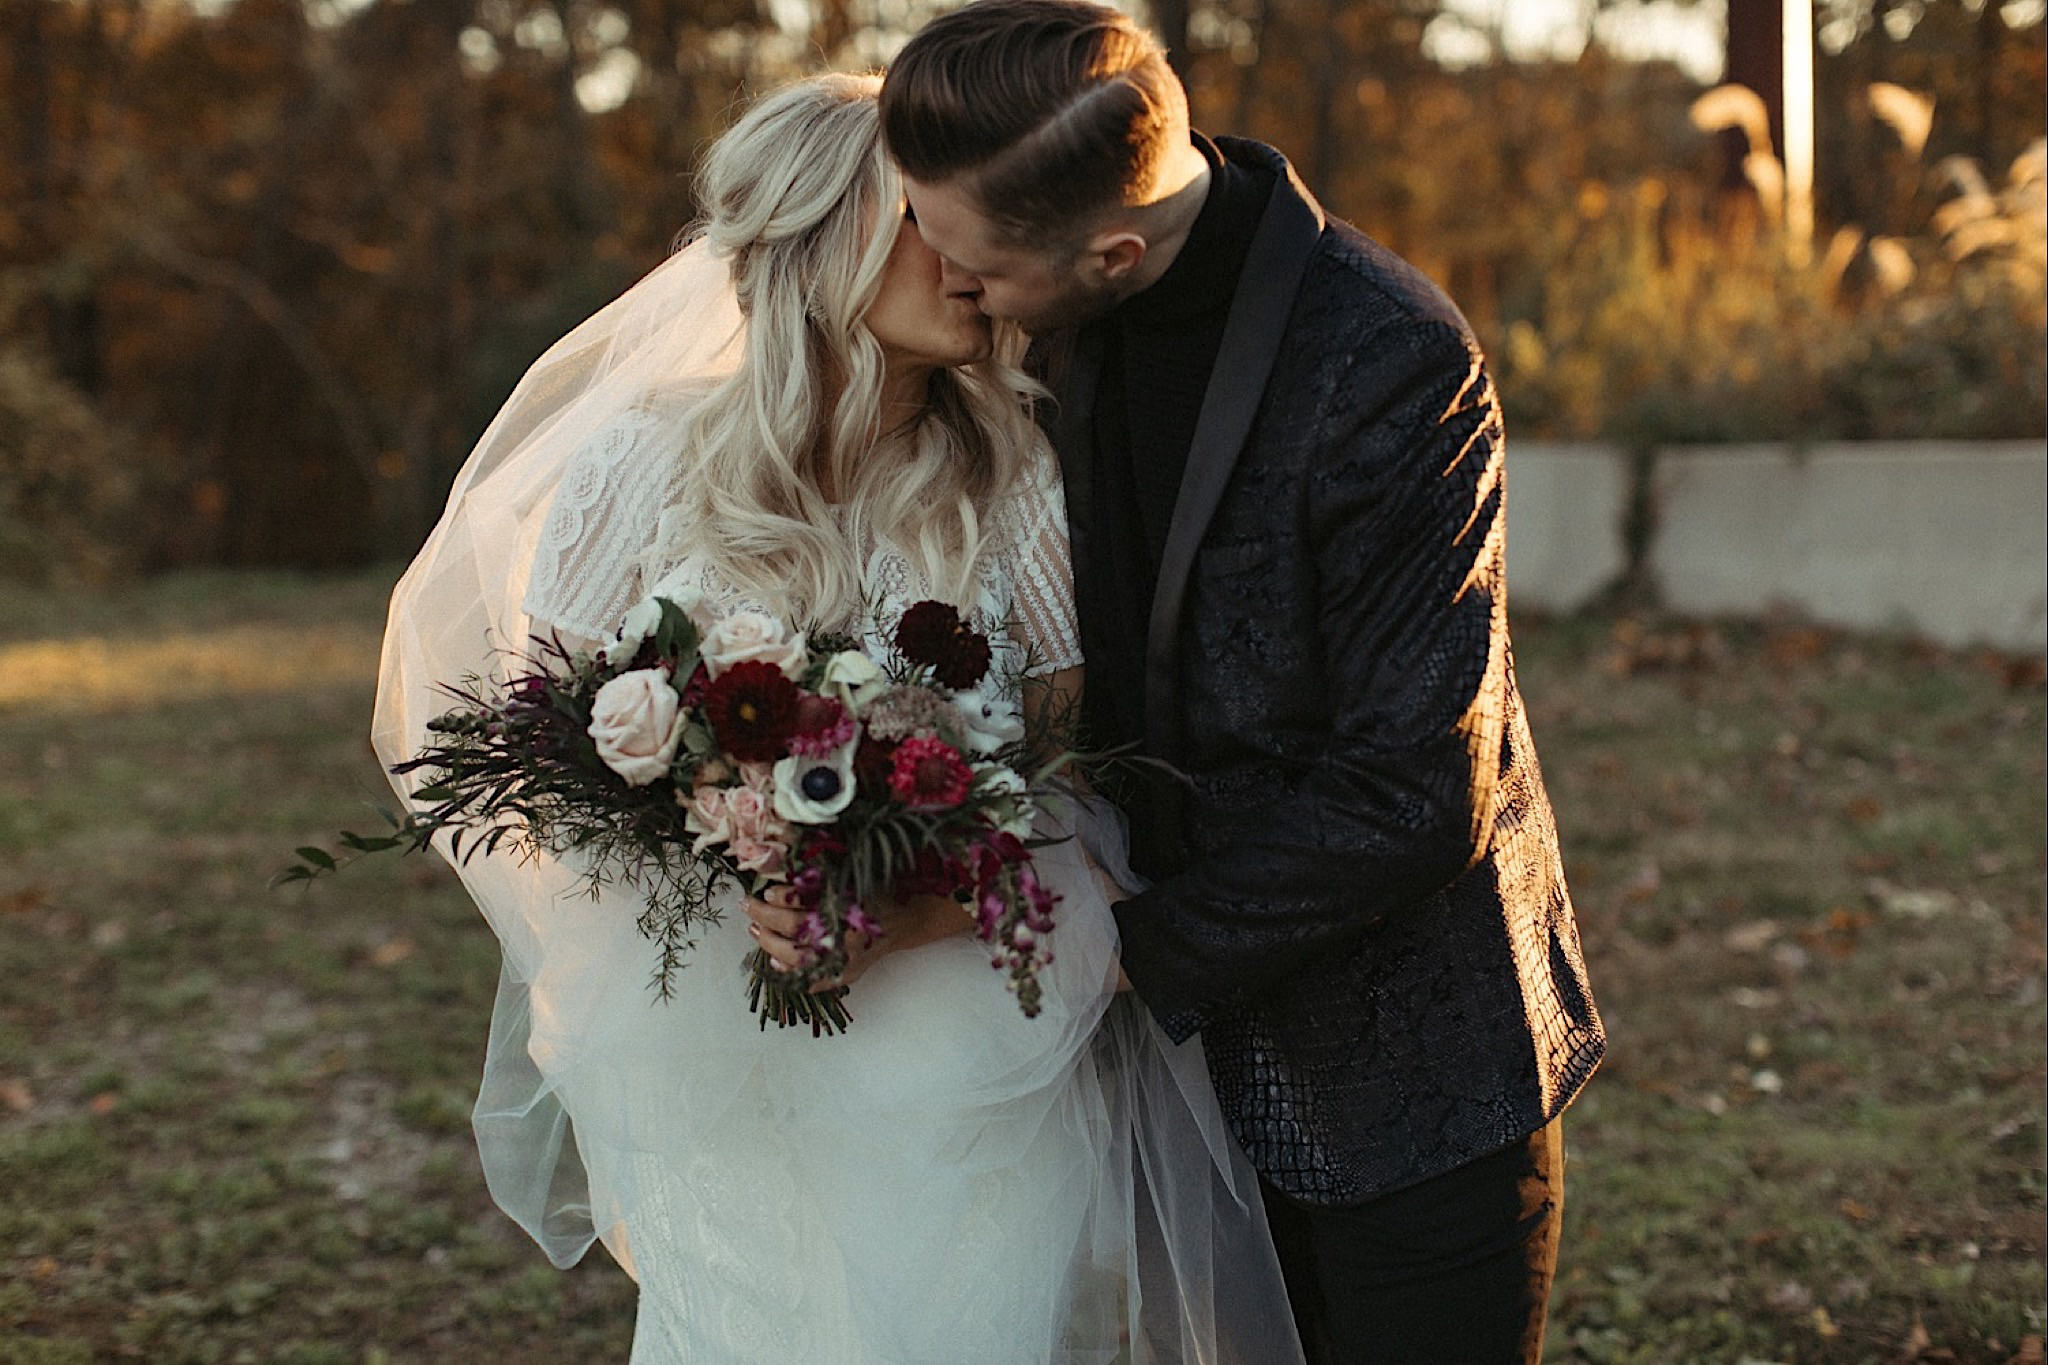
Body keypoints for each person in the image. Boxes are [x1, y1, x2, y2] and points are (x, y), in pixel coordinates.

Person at [372, 73, 1303, 1363]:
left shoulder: (1020, 478)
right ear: (826, 238)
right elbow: (560, 763)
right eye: (932, 216)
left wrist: (907, 880)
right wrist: (733, 844)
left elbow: (1075, 776)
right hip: (711, 1031)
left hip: (960, 1032)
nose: (978, 255)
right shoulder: (634, 466)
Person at [846, 3, 1609, 1360]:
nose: (948, 286)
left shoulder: (1387, 362)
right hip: (1154, 1104)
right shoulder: (1035, 314)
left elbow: (1416, 788)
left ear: (1113, 251)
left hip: (1400, 1092)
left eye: (974, 267)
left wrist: (1117, 951)